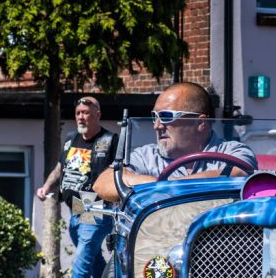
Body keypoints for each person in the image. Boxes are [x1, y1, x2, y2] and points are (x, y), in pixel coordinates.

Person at [92, 82, 256, 203]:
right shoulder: (147, 156)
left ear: (200, 123)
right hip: (159, 238)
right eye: (154, 117)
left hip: (213, 238)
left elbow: (240, 173)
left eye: (166, 117)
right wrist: (157, 184)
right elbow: (102, 183)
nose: (157, 126)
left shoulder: (231, 152)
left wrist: (167, 187)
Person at [36, 96, 118, 278]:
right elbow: (60, 168)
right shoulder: (71, 139)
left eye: (86, 113)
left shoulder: (109, 140)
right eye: (78, 113)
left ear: (97, 115)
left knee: (82, 259)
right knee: (93, 260)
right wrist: (46, 187)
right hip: (75, 207)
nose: (81, 117)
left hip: (96, 205)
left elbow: (119, 173)